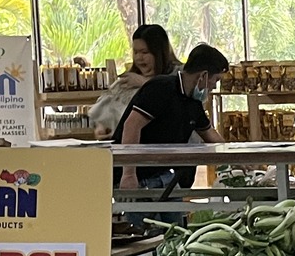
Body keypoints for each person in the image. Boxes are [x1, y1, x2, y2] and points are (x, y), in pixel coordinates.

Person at [116, 42, 227, 193]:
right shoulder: (160, 89)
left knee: (174, 216)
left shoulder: (193, 102)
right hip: (140, 177)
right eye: (216, 80)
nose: (214, 86)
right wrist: (129, 174)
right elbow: (131, 126)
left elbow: (209, 134)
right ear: (203, 75)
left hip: (165, 175)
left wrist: (240, 159)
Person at [89, 23, 177, 138]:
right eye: (136, 52)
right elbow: (100, 113)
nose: (139, 58)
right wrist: (101, 126)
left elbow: (179, 101)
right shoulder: (126, 81)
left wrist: (145, 83)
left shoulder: (178, 75)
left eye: (145, 52)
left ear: (160, 53)